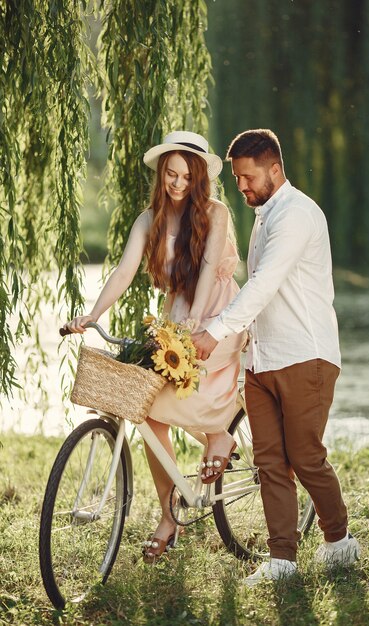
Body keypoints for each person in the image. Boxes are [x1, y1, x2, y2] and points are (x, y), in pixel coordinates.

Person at [64, 130, 245, 562]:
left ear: (198, 177)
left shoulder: (215, 213)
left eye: (186, 175)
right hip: (178, 316)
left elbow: (205, 271)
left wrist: (199, 323)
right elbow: (124, 272)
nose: (178, 183)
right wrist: (92, 314)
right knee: (147, 409)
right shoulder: (149, 220)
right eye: (171, 174)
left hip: (216, 312)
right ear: (161, 174)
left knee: (194, 378)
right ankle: (169, 514)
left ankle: (220, 437)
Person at [193, 129, 360, 586]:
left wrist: (215, 331)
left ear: (274, 169)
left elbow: (263, 284)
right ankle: (282, 559)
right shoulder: (265, 216)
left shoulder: (298, 215)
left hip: (305, 355)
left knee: (305, 456)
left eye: (248, 178)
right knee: (270, 463)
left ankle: (339, 539)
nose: (242, 187)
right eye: (238, 179)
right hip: (262, 360)